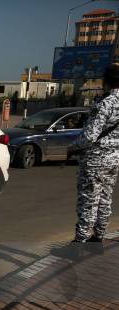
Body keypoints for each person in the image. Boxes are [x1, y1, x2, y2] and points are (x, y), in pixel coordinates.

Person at [72, 64, 119, 243]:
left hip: (95, 161)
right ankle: (98, 237)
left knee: (89, 201)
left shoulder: (105, 103)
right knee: (105, 199)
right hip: (114, 160)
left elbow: (89, 136)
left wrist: (73, 147)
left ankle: (80, 243)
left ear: (106, 81)